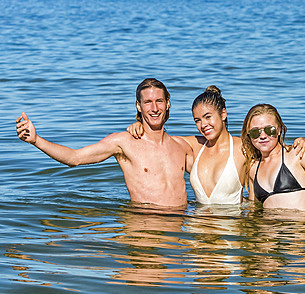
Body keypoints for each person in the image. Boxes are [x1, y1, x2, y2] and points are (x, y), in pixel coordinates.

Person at [16, 78, 191, 207]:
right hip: (144, 228)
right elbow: (74, 157)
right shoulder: (124, 142)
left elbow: (216, 152)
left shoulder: (182, 146)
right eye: (148, 102)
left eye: (159, 101)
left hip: (179, 230)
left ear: (168, 103)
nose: (154, 108)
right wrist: (36, 140)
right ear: (139, 106)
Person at [127, 85, 305, 204]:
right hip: (197, 237)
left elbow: (271, 150)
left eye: (208, 117)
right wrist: (140, 126)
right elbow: (159, 140)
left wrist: (299, 142)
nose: (203, 125)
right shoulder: (194, 147)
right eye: (197, 120)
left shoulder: (243, 147)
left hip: (231, 237)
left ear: (223, 114)